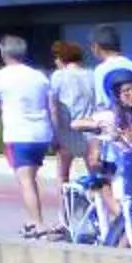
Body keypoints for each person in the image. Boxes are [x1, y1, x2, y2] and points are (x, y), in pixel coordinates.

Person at [0, 35, 60, 238]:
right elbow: (51, 107)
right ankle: (32, 221)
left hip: (19, 134)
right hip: (41, 133)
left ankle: (39, 224)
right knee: (30, 178)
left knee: (26, 181)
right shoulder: (39, 76)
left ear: (3, 52)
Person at [45, 39, 94, 188]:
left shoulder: (58, 76)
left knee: (63, 175)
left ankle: (65, 209)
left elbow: (53, 107)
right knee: (95, 175)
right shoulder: (92, 74)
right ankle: (99, 207)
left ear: (62, 58)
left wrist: (54, 134)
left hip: (67, 131)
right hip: (90, 131)